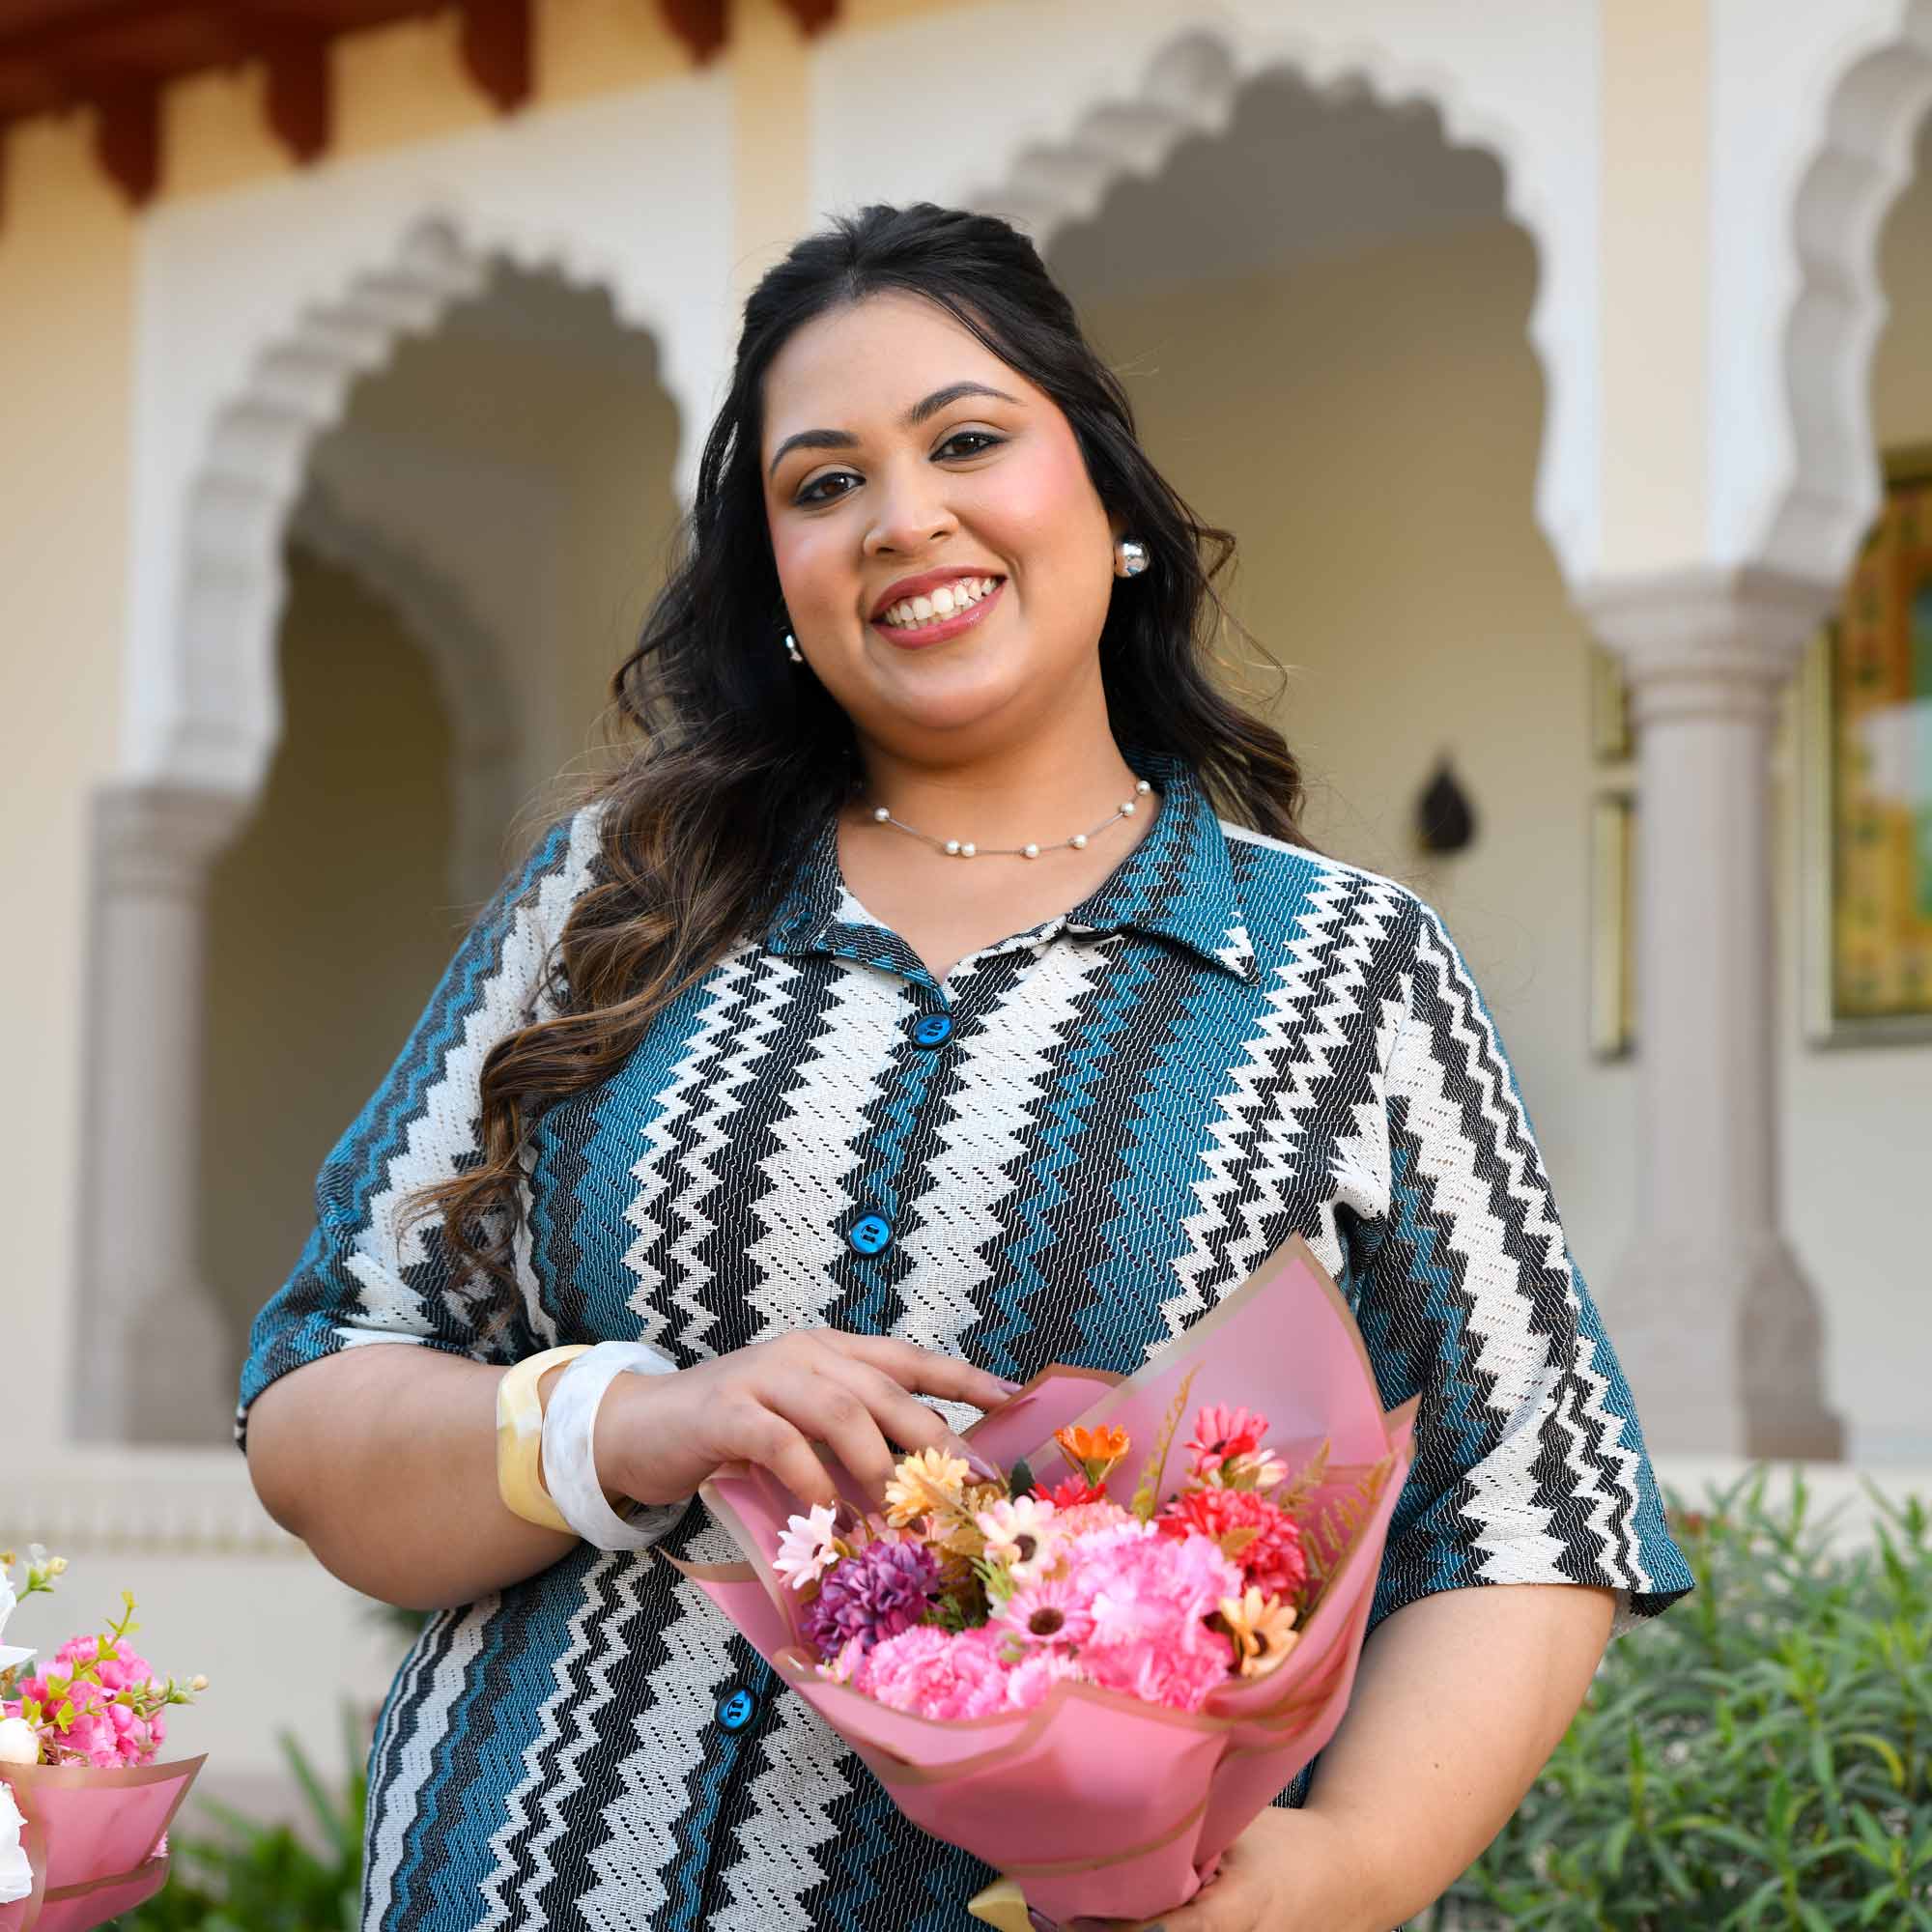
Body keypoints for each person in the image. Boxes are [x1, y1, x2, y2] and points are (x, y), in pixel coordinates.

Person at [240, 202, 1691, 1932]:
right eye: (822, 482)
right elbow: (321, 1392)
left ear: (1108, 500)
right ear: (772, 577)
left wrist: (1356, 1864)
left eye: (968, 440)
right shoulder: (610, 908)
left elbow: (1531, 1497)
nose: (902, 517)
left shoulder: (1340, 966)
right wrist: (637, 1419)